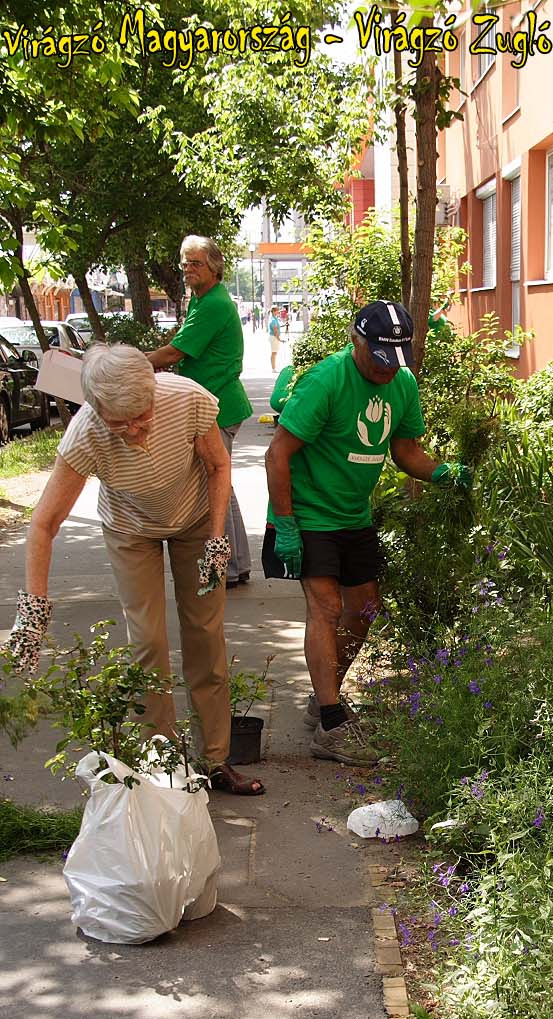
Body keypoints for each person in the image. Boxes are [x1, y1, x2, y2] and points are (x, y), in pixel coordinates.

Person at [3, 344, 265, 796]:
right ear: (96, 408)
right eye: (118, 422)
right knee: (147, 642)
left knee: (205, 634)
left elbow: (219, 465)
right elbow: (44, 521)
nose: (135, 431)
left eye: (141, 416)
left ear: (152, 395)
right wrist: (33, 609)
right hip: (130, 528)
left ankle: (215, 759)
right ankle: (162, 764)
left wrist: (217, 538)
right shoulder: (85, 434)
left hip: (195, 519)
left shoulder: (187, 398)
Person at [262, 301, 471, 767]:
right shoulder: (325, 381)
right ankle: (332, 725)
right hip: (309, 514)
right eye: (377, 358)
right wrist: (287, 525)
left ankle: (323, 697)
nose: (385, 370)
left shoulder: (402, 383)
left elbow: (406, 453)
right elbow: (277, 455)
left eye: (393, 360)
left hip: (354, 514)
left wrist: (446, 473)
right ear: (356, 342)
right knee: (326, 607)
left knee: (364, 609)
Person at [146, 236, 253, 589]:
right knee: (221, 484)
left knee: (216, 484)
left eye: (196, 263)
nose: (188, 269)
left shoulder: (213, 304)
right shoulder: (203, 299)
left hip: (216, 407)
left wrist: (133, 365)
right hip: (214, 404)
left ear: (215, 267)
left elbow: (177, 351)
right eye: (185, 263)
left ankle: (231, 567)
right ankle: (236, 565)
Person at [267, 306, 282, 371]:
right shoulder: (273, 320)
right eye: (276, 311)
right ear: (273, 312)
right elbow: (275, 331)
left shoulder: (274, 318)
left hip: (273, 337)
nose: (278, 312)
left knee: (274, 353)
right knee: (274, 353)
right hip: (274, 337)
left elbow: (276, 327)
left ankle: (273, 367)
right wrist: (279, 339)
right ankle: (273, 368)